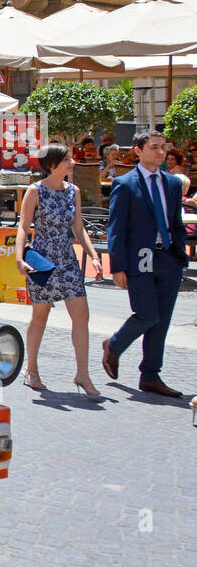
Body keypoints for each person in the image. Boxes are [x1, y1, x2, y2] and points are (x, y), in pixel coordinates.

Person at [102, 129, 189, 398]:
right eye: (154, 147)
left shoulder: (173, 184)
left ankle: (150, 375)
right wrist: (116, 266)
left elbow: (175, 221)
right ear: (138, 151)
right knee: (147, 314)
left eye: (163, 147)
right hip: (140, 258)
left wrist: (180, 250)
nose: (161, 152)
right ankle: (113, 346)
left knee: (161, 320)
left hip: (168, 258)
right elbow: (116, 228)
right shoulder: (125, 184)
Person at [14, 144, 103, 396]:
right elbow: (23, 227)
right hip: (42, 261)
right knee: (40, 315)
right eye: (67, 160)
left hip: (67, 260)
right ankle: (31, 369)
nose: (73, 163)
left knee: (81, 315)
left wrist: (93, 254)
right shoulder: (35, 191)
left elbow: (78, 227)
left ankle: (83, 375)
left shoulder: (72, 191)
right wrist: (20, 258)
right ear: (52, 165)